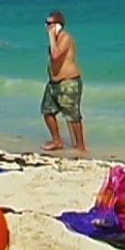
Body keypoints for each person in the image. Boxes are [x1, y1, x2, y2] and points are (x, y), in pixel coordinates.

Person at [44, 10, 89, 155]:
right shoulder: (55, 40)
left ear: (58, 25)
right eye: (47, 24)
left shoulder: (65, 38)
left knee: (72, 116)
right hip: (54, 83)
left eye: (50, 24)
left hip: (68, 82)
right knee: (47, 111)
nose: (47, 27)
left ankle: (81, 147)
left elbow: (56, 55)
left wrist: (51, 36)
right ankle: (57, 140)